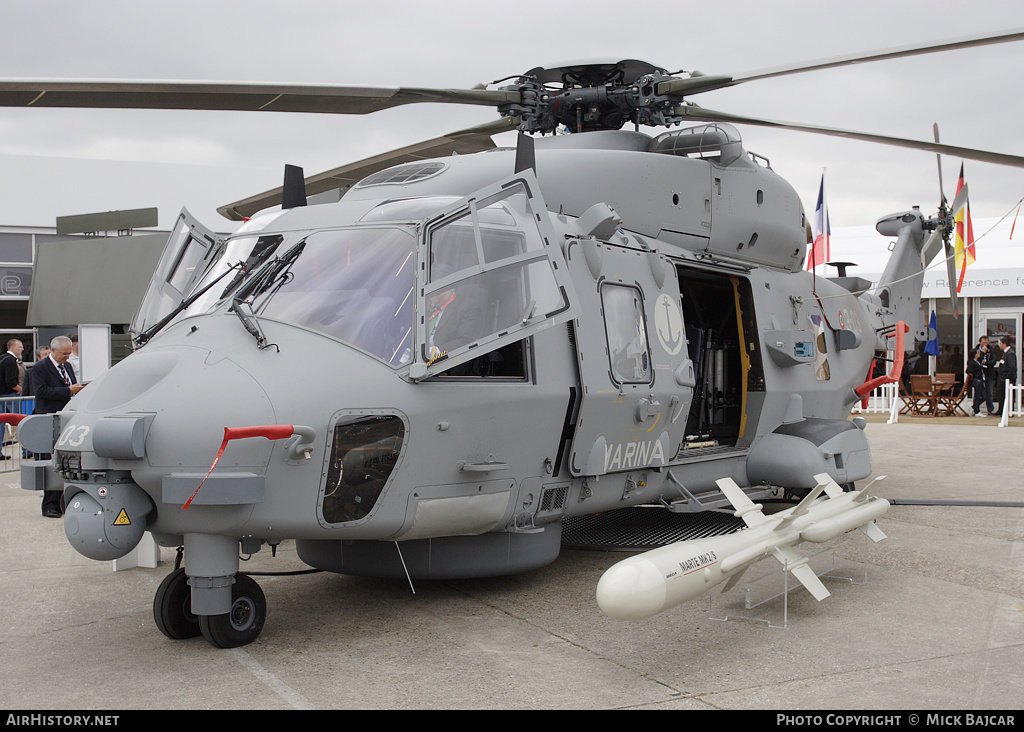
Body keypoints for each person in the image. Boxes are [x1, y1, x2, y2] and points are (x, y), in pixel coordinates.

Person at [32, 335, 85, 518]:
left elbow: (68, 385)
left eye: (69, 353)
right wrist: (68, 391)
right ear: (53, 351)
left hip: (66, 418)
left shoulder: (68, 366)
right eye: (64, 354)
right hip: (49, 419)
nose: (67, 357)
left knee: (64, 462)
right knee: (51, 462)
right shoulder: (40, 368)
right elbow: (41, 392)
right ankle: (49, 505)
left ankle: (61, 500)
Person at [970, 336, 996, 416]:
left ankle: (990, 409)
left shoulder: (990, 350)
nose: (985, 344)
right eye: (984, 342)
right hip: (979, 375)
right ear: (980, 342)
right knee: (979, 393)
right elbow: (976, 360)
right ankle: (976, 408)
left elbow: (993, 361)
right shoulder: (976, 351)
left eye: (987, 342)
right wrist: (982, 354)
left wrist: (986, 363)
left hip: (989, 373)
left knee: (989, 393)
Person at [993, 336, 1017, 415]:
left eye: (1000, 343)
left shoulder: (1010, 354)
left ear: (1004, 344)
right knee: (1001, 394)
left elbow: (1012, 367)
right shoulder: (1006, 353)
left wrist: (1006, 377)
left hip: (1006, 379)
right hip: (1003, 377)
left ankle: (1008, 411)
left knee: (1007, 394)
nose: (999, 345)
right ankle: (1001, 410)